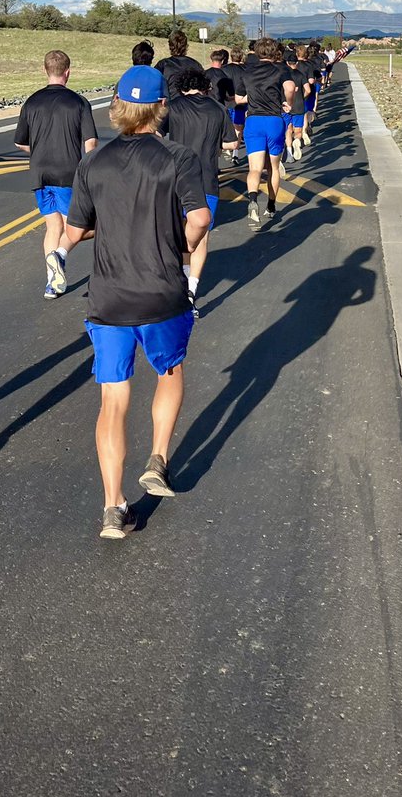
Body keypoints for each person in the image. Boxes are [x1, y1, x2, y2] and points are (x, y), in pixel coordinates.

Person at [65, 65, 210, 540]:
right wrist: (182, 247)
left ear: (117, 107)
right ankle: (158, 458)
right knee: (169, 372)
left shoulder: (93, 163)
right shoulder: (177, 157)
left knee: (113, 399)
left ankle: (113, 506)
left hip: (108, 296)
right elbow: (200, 217)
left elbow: (75, 229)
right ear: (161, 106)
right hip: (161, 291)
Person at [15, 50, 97, 300]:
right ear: (68, 72)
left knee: (53, 226)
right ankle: (59, 256)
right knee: (78, 227)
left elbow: (20, 142)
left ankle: (53, 283)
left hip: (39, 172)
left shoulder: (31, 102)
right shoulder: (79, 102)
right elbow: (90, 142)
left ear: (45, 70)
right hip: (68, 172)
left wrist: (39, 150)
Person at [159, 69, 236, 317]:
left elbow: (156, 133)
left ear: (182, 87)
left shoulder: (173, 107)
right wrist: (215, 144)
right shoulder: (218, 109)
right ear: (206, 87)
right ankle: (191, 290)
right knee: (200, 237)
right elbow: (232, 143)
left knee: (173, 231)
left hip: (173, 179)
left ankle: (174, 282)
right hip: (206, 180)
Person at [241, 37, 295, 228]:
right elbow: (290, 87)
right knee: (273, 167)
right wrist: (287, 102)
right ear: (274, 52)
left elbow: (239, 98)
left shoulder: (247, 71)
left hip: (253, 120)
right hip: (274, 120)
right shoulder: (280, 69)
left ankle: (252, 200)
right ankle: (271, 206)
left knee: (254, 169)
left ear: (257, 52)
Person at [154, 30, 203, 99]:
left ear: (170, 46)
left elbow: (154, 86)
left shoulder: (163, 65)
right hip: (192, 103)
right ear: (186, 46)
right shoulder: (196, 64)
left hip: (169, 103)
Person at [283, 51, 311, 161]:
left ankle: (289, 153)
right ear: (297, 63)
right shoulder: (300, 75)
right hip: (299, 105)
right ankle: (297, 141)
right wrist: (302, 97)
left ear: (287, 63)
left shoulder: (284, 75)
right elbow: (308, 90)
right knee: (298, 131)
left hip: (286, 106)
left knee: (288, 130)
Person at [295, 44, 316, 145]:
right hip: (306, 90)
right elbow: (311, 80)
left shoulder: (293, 65)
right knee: (306, 111)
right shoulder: (309, 65)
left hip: (295, 91)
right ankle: (304, 130)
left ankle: (295, 133)